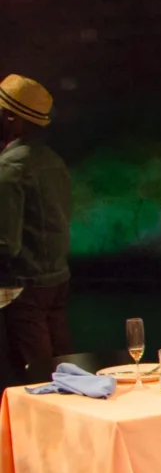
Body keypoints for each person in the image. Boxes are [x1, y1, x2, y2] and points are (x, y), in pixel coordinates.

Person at [0, 74, 73, 381]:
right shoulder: (52, 160)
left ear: (12, 118)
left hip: (21, 287)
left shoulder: (9, 168)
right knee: (65, 371)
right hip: (55, 281)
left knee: (33, 380)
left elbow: (6, 244)